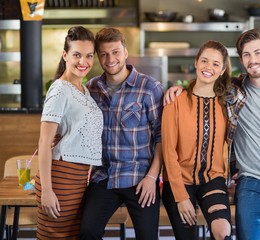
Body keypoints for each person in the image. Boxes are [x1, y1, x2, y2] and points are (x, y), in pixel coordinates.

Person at [164, 28, 260, 240]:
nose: (253, 60)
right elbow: (205, 83)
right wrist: (177, 88)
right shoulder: (234, 91)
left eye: (258, 53)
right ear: (241, 60)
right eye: (247, 55)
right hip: (249, 182)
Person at [79, 27, 164, 240]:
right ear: (98, 57)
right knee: (87, 231)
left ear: (125, 52)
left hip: (140, 178)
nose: (110, 59)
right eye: (104, 54)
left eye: (115, 52)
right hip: (104, 176)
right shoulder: (91, 88)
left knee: (148, 236)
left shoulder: (149, 87)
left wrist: (152, 178)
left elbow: (161, 137)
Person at [35, 26, 103, 239]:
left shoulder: (83, 90)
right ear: (65, 55)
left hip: (78, 179)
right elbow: (44, 142)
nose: (83, 61)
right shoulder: (60, 89)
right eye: (77, 55)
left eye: (89, 56)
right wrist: (47, 190)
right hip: (60, 178)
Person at [161, 40, 233, 240]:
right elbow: (168, 152)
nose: (208, 67)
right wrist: (181, 197)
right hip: (178, 181)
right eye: (204, 61)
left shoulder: (226, 104)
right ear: (196, 62)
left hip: (212, 179)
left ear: (222, 70)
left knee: (223, 232)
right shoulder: (174, 101)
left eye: (216, 64)